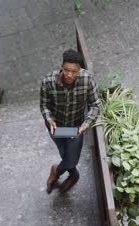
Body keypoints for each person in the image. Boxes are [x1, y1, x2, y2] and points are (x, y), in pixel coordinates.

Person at [40, 49, 100, 194]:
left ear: (79, 69)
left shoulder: (87, 80)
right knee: (64, 154)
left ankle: (56, 171)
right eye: (66, 70)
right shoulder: (47, 81)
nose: (69, 75)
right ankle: (74, 175)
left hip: (76, 127)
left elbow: (96, 105)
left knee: (71, 159)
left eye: (74, 71)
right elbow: (44, 105)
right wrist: (49, 119)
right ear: (61, 66)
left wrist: (86, 124)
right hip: (56, 127)